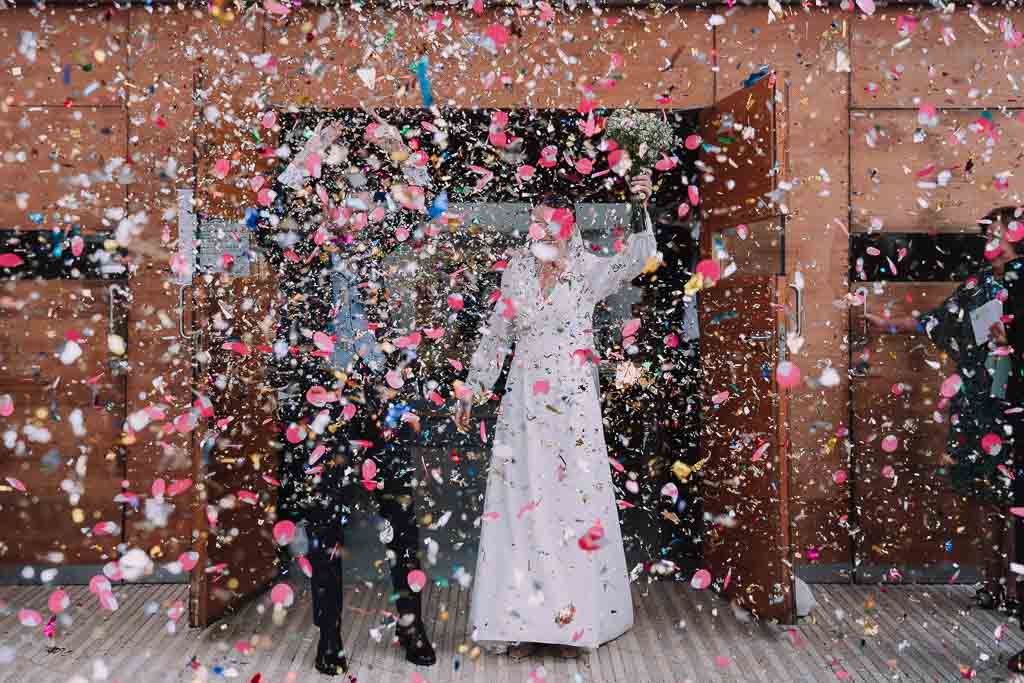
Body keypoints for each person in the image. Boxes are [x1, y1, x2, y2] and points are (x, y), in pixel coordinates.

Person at [455, 173, 657, 658]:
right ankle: (524, 622)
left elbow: (638, 256)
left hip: (572, 403)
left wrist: (638, 202)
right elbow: (498, 332)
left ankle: (572, 625)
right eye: (532, 219)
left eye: (543, 220)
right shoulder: (517, 270)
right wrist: (475, 386)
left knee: (570, 505)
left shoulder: (589, 270)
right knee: (524, 503)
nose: (535, 227)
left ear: (564, 226)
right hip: (523, 402)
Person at [264, 114, 437, 676]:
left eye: (354, 206)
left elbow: (422, 203)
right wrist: (310, 150)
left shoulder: (375, 246)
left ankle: (413, 627)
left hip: (379, 394)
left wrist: (394, 146)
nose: (344, 215)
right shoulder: (298, 256)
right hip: (323, 402)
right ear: (318, 210)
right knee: (326, 524)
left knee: (400, 517)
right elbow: (266, 219)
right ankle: (330, 635)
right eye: (332, 204)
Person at [866, 206, 1020, 611]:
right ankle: (992, 581)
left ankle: (1015, 588)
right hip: (978, 402)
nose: (989, 236)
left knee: (1013, 497)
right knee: (984, 496)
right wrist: (888, 324)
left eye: (997, 230)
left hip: (1014, 405)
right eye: (986, 230)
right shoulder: (979, 285)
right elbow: (938, 321)